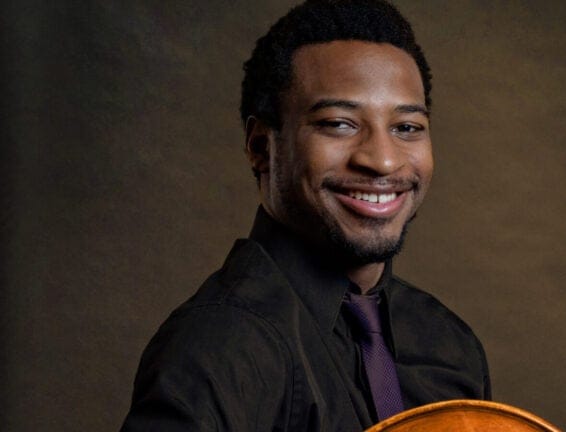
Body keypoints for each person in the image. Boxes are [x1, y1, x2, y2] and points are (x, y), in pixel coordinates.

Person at [121, 1, 491, 430]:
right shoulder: (216, 348)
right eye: (339, 123)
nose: (384, 161)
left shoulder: (450, 346)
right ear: (261, 146)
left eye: (406, 128)